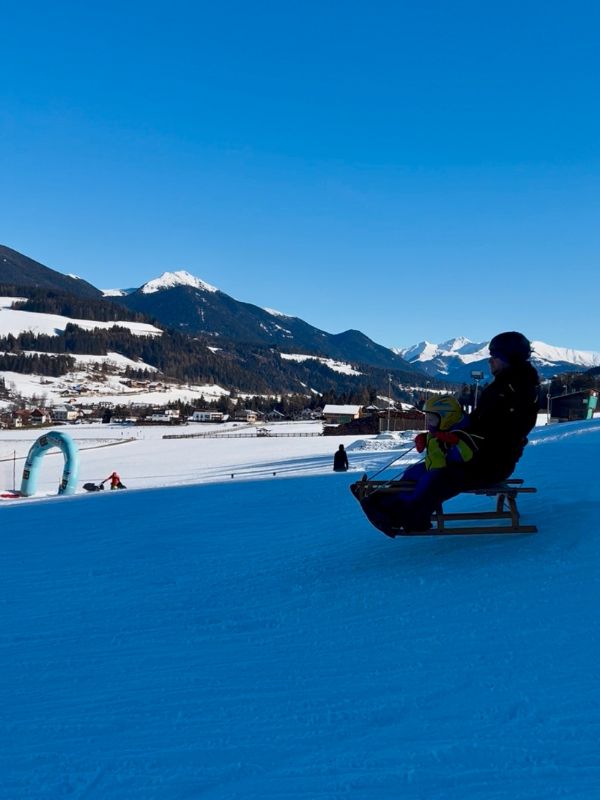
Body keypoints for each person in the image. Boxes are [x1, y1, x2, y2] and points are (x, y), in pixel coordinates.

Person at [359, 331, 540, 536]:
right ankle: (381, 501)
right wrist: (448, 434)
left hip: (492, 462)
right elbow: (481, 425)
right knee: (420, 470)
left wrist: (458, 438)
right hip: (481, 455)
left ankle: (412, 516)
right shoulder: (506, 386)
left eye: (495, 357)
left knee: (442, 477)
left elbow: (499, 434)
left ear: (508, 359)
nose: (490, 361)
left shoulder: (515, 391)